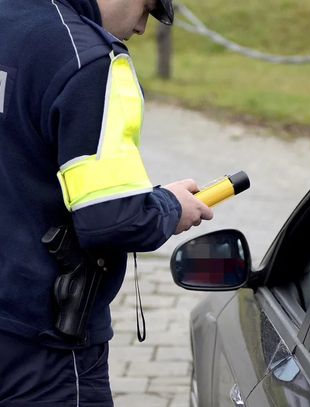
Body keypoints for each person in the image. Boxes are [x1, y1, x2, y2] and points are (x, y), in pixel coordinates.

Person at [0, 0, 213, 404]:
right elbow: (111, 220)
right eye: (149, 9)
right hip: (43, 350)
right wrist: (169, 206)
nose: (142, 29)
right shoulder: (89, 61)